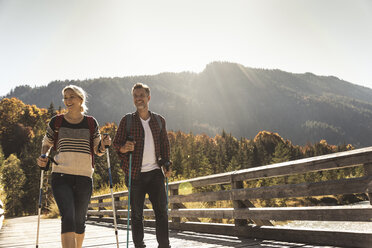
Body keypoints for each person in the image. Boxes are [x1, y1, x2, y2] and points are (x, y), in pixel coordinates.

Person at [37, 85, 111, 248]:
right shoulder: (57, 121)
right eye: (65, 97)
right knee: (68, 216)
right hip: (61, 175)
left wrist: (105, 144)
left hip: (84, 177)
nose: (67, 100)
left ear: (80, 99)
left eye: (71, 97)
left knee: (79, 221)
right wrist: (43, 156)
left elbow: (97, 150)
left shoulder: (91, 123)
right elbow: (46, 143)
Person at [114, 82, 172, 248]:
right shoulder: (127, 121)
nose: (138, 99)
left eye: (141, 95)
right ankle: (139, 246)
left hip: (155, 173)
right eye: (135, 96)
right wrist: (124, 148)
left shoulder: (159, 121)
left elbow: (165, 146)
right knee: (137, 215)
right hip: (134, 175)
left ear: (148, 97)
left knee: (161, 213)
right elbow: (117, 145)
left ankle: (164, 245)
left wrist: (167, 164)